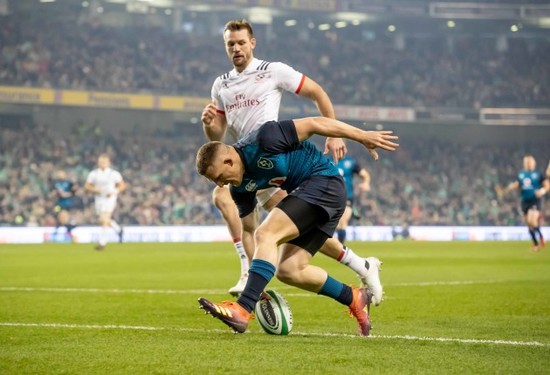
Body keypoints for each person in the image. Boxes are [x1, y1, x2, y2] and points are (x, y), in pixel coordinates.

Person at [201, 19, 383, 303]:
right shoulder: (220, 85)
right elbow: (218, 137)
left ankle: (251, 282)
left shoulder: (273, 71)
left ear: (252, 42)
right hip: (245, 169)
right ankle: (255, 277)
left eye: (240, 42)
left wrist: (335, 135)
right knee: (261, 223)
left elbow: (317, 93)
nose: (236, 48)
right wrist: (210, 125)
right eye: (230, 44)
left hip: (274, 160)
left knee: (272, 227)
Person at [196, 116, 399, 336]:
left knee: (268, 232)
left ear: (229, 161)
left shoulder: (265, 138)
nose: (220, 184)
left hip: (324, 181)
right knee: (289, 270)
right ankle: (355, 298)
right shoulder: (240, 189)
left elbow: (314, 123)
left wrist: (362, 136)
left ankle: (243, 309)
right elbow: (248, 231)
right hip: (313, 196)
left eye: (219, 177)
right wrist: (257, 285)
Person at [500, 155, 548, 252]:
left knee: (532, 221)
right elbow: (518, 186)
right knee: (529, 224)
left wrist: (542, 191)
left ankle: (539, 240)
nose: (528, 164)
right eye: (526, 162)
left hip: (534, 200)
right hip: (524, 201)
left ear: (534, 163)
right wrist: (513, 187)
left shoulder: (538, 174)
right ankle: (536, 243)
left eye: (529, 162)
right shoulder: (521, 174)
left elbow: (547, 185)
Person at [84, 154, 126, 251]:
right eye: (101, 162)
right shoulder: (94, 173)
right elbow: (87, 185)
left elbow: (122, 185)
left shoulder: (114, 174)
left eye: (104, 162)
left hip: (110, 198)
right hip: (99, 198)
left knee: (104, 219)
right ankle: (118, 230)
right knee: (103, 219)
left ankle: (102, 242)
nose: (103, 164)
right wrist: (95, 189)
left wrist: (114, 191)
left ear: (108, 163)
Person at [335, 156, 371, 244]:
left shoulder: (351, 162)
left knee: (342, 222)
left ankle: (340, 248)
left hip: (347, 197)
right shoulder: (327, 161)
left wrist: (366, 183)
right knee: (336, 224)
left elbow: (365, 175)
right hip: (331, 197)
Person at [51, 169, 78, 240]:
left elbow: (74, 192)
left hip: (67, 204)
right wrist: (55, 194)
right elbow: (52, 193)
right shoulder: (55, 183)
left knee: (63, 219)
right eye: (59, 174)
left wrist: (66, 194)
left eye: (62, 173)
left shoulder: (69, 183)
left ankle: (56, 235)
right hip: (58, 204)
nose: (60, 175)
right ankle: (70, 232)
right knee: (61, 220)